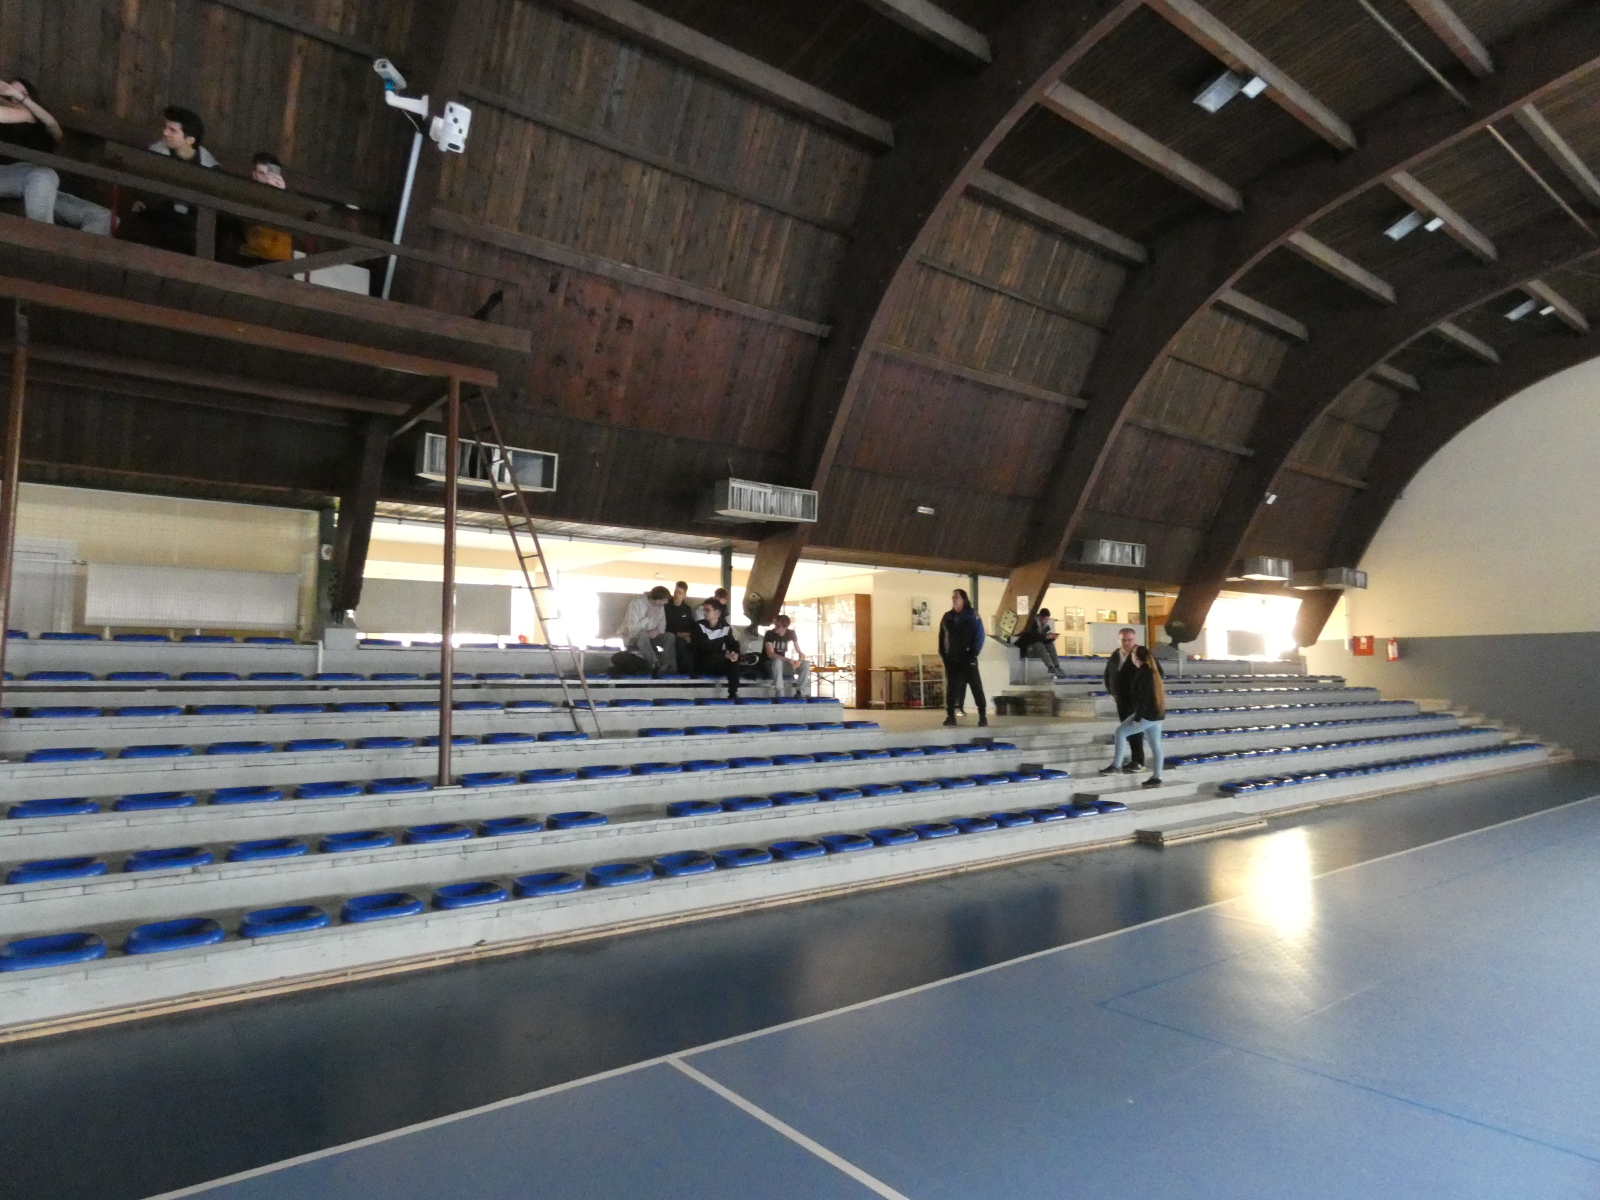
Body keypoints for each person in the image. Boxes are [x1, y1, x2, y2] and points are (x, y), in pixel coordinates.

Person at [0, 78, 112, 235]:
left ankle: (68, 250)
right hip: (8, 174)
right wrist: (13, 103)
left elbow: (53, 125)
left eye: (23, 94)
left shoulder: (43, 128)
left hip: (40, 186)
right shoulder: (7, 120)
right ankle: (44, 242)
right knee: (43, 175)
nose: (15, 97)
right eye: (9, 95)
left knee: (104, 217)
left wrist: (18, 96)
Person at [1099, 645, 1165, 787]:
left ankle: (1116, 765)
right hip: (1156, 714)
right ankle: (1157, 777)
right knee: (1155, 746)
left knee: (1120, 733)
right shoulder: (1151, 671)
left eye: (1133, 655)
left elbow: (1143, 698)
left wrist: (1137, 718)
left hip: (1146, 715)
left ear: (1136, 658)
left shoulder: (1144, 674)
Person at [1103, 626, 1151, 772]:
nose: (1126, 643)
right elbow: (1108, 673)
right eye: (1123, 640)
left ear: (1135, 639)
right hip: (1121, 699)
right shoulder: (1116, 654)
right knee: (1128, 731)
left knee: (1134, 730)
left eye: (1130, 640)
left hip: (1135, 700)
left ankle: (1138, 761)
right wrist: (1110, 691)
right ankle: (1133, 760)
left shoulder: (1141, 653)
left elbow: (1155, 673)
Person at [233, 152, 293, 263]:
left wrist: (282, 195)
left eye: (270, 174)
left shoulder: (289, 200)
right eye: (261, 173)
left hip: (280, 259)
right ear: (254, 174)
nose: (266, 178)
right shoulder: (246, 194)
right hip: (250, 255)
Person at [940, 588, 987, 727]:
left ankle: (982, 716)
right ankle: (950, 716)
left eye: (957, 597)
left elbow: (980, 635)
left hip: (968, 657)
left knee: (975, 686)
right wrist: (944, 654)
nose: (953, 599)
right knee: (952, 688)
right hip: (952, 658)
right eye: (953, 597)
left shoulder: (972, 616)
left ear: (963, 599)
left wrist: (974, 653)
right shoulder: (947, 617)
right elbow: (942, 637)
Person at [692, 599, 742, 699]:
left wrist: (734, 653)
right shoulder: (699, 626)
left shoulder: (725, 627)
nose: (704, 613)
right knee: (714, 656)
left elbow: (733, 644)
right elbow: (703, 648)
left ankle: (733, 693)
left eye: (707, 610)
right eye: (704, 610)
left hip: (717, 663)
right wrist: (725, 654)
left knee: (734, 662)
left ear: (717, 613)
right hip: (703, 663)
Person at [619, 585, 672, 677]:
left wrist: (657, 631)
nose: (666, 602)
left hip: (651, 637)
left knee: (670, 636)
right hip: (634, 637)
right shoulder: (637, 604)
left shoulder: (660, 607)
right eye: (664, 600)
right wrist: (647, 618)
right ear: (657, 600)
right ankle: (654, 663)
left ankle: (666, 665)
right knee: (642, 634)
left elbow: (662, 625)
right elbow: (632, 628)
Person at [762, 613, 810, 698]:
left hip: (783, 664)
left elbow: (800, 652)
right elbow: (770, 654)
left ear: (785, 627)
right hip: (771, 664)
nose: (775, 627)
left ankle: (799, 691)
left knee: (806, 664)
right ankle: (779, 691)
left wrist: (799, 661)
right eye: (775, 624)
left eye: (778, 626)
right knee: (777, 662)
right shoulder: (770, 634)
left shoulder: (791, 633)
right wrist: (788, 660)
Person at [661, 580, 697, 676]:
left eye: (680, 593)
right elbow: (663, 625)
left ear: (684, 595)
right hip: (671, 635)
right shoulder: (666, 607)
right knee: (680, 643)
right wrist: (678, 634)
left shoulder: (687, 609)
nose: (676, 595)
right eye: (675, 592)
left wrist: (689, 635)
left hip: (685, 636)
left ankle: (694, 671)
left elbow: (691, 625)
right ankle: (681, 671)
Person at [1016, 607, 1065, 677]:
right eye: (1045, 619)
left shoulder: (1046, 627)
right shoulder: (1031, 625)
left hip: (1036, 650)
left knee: (1050, 645)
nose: (1046, 621)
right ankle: (1050, 667)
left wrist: (1051, 638)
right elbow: (1033, 638)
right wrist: (1046, 637)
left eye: (1048, 619)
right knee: (1039, 645)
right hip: (1027, 650)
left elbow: (1045, 641)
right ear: (1040, 617)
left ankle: (1057, 666)